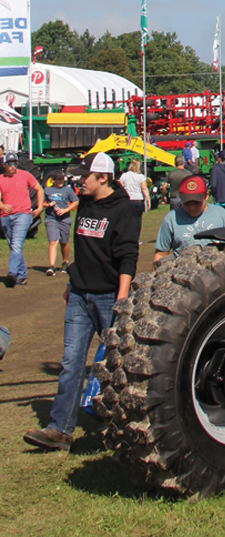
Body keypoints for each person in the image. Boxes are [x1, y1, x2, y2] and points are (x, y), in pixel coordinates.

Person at [23, 151, 141, 451]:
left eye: (85, 176)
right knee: (71, 361)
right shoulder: (86, 202)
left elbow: (128, 255)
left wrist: (122, 297)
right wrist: (70, 281)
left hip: (108, 296)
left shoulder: (125, 209)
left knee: (116, 364)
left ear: (103, 178)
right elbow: (82, 247)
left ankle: (119, 425)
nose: (79, 181)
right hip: (79, 293)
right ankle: (60, 429)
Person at [153, 175, 225, 261]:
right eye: (187, 203)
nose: (192, 207)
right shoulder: (171, 219)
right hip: (183, 271)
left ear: (206, 196)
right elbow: (160, 255)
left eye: (196, 202)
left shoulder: (221, 215)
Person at [1, 149, 44, 287]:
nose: (13, 166)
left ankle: (12, 273)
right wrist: (1, 206)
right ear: (4, 165)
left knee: (16, 244)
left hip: (23, 215)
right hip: (6, 217)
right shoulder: (1, 179)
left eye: (15, 163)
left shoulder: (25, 175)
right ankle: (22, 275)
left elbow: (39, 189)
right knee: (14, 246)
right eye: (10, 163)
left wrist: (40, 207)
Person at [43, 166, 78, 275]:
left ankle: (65, 262)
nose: (61, 182)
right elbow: (42, 203)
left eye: (62, 179)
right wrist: (48, 204)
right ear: (53, 180)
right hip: (51, 218)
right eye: (58, 180)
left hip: (64, 219)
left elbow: (76, 201)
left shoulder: (67, 190)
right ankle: (52, 266)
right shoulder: (47, 190)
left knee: (64, 242)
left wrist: (65, 210)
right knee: (53, 241)